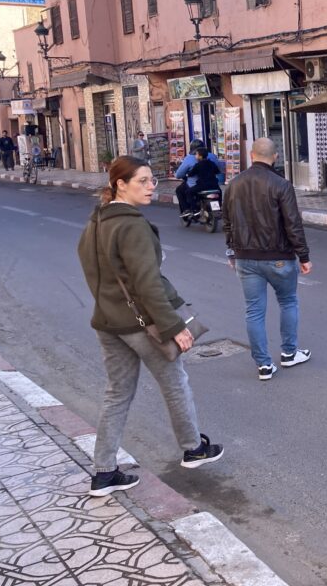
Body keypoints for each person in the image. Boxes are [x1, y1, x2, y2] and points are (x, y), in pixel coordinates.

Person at [77, 156, 223, 497]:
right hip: (140, 325)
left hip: (107, 322)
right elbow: (148, 284)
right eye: (142, 181)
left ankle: (104, 471)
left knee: (117, 394)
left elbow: (93, 271)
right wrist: (173, 326)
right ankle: (193, 448)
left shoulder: (96, 221)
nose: (150, 187)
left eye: (152, 180)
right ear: (120, 185)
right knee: (175, 382)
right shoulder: (131, 225)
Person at [222, 137, 312, 381]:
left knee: (254, 311)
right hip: (279, 257)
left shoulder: (233, 184)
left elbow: (227, 222)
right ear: (275, 157)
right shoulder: (281, 185)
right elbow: (293, 224)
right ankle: (289, 353)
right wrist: (303, 256)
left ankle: (263, 365)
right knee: (288, 302)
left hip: (245, 258)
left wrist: (231, 251)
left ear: (251, 155)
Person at [175, 140, 223, 214]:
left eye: (196, 154)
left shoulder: (192, 161)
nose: (195, 156)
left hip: (199, 185)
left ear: (199, 155)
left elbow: (179, 175)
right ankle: (220, 206)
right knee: (219, 192)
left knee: (181, 190)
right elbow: (219, 170)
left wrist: (187, 174)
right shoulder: (212, 158)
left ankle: (189, 210)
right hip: (214, 184)